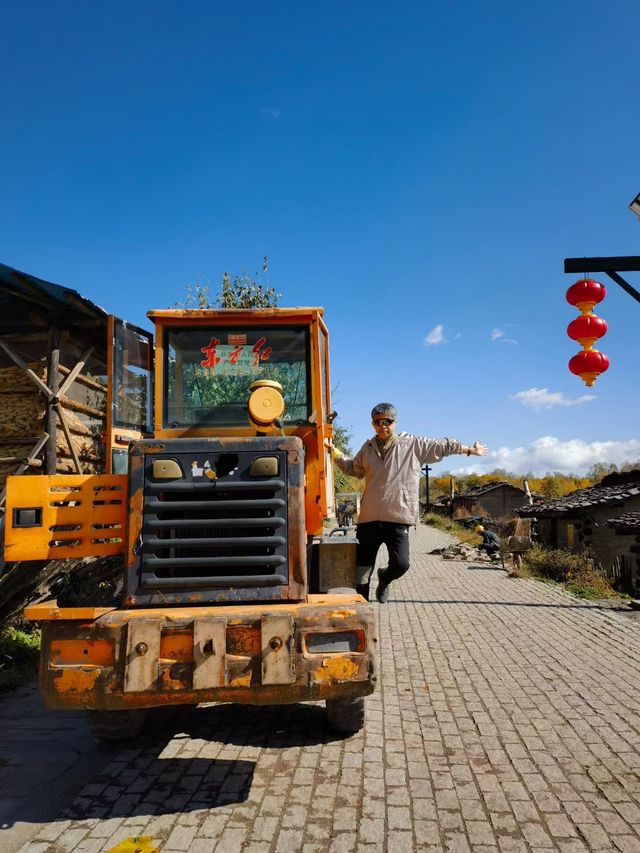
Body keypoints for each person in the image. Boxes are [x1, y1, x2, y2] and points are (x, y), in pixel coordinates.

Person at [331, 403, 488, 603]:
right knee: (361, 571)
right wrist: (334, 452)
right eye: (378, 422)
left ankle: (385, 577)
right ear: (373, 424)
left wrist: (469, 450)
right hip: (368, 519)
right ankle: (363, 612)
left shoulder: (413, 445)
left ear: (394, 422)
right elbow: (353, 469)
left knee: (401, 564)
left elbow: (443, 445)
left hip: (398, 518)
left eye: (387, 421)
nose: (383, 425)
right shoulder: (367, 448)